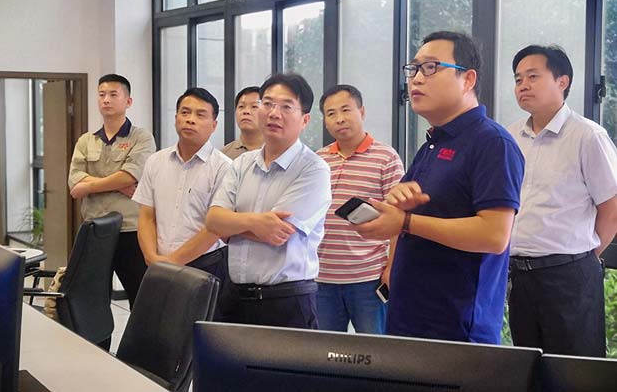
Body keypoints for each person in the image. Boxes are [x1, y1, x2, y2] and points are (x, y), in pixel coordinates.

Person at [355, 31, 524, 344]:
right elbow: (414, 216)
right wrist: (396, 208)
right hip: (409, 319)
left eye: (431, 67)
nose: (417, 78)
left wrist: (406, 221)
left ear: (468, 79)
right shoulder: (433, 144)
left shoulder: (492, 142)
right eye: (414, 69)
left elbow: (494, 235)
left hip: (457, 332)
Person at [507, 45, 617, 357]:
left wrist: (583, 256)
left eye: (533, 76)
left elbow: (612, 208)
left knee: (575, 368)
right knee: (528, 365)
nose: (523, 85)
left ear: (562, 81)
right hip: (520, 275)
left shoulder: (588, 136)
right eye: (518, 79)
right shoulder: (509, 137)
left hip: (570, 275)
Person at [206, 73, 331, 329]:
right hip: (234, 297)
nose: (274, 113)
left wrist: (232, 226)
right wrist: (254, 223)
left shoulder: (313, 169)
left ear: (305, 120)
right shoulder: (241, 163)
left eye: (286, 106)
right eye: (268, 103)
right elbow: (213, 221)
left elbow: (277, 232)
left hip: (286, 301)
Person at [132, 87, 235, 320]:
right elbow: (147, 215)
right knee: (161, 330)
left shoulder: (224, 168)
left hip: (205, 266)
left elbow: (214, 229)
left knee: (199, 334)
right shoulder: (156, 161)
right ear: (176, 117)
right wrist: (151, 257)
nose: (190, 119)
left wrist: (172, 262)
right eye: (185, 112)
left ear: (214, 125)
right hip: (157, 264)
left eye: (200, 114)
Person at [315, 84, 404, 334]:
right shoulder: (318, 160)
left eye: (346, 110)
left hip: (368, 277)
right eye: (331, 113)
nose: (339, 119)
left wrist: (392, 267)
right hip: (321, 278)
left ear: (361, 112)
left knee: (375, 350)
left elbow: (399, 219)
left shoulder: (386, 157)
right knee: (323, 351)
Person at [68, 74, 156, 309]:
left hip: (131, 229)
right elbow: (74, 185)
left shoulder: (141, 138)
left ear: (128, 101)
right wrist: (117, 184)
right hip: (94, 228)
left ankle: (140, 336)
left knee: (141, 296)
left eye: (113, 94)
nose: (106, 99)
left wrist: (90, 185)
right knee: (93, 301)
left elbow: (130, 176)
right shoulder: (86, 141)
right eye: (101, 94)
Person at [222, 86, 264, 159]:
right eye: (241, 106)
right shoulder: (224, 155)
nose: (246, 111)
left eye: (254, 106)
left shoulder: (277, 151)